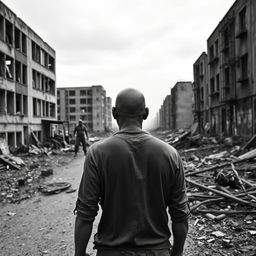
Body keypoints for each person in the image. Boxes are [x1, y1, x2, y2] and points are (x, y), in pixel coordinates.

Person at [74, 88, 190, 256]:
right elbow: (180, 214)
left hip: (111, 251)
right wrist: (177, 253)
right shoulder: (170, 154)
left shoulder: (97, 153)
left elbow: (85, 213)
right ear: (146, 113)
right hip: (157, 251)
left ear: (114, 113)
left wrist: (79, 254)